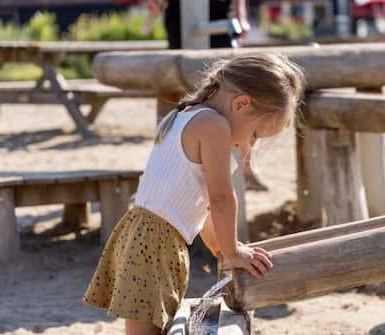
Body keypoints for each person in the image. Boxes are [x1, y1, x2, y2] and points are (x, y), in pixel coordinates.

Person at [83, 53, 306, 335]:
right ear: (241, 104)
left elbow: (200, 207)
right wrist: (233, 250)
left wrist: (220, 249)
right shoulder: (214, 126)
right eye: (255, 134)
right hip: (155, 242)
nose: (250, 144)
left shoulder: (189, 114)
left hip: (147, 235)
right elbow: (221, 198)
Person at [145, 0, 267, 190]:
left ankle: (245, 165)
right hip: (181, 14)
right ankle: (175, 167)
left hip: (219, 12)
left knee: (236, 87)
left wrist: (241, 16)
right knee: (180, 87)